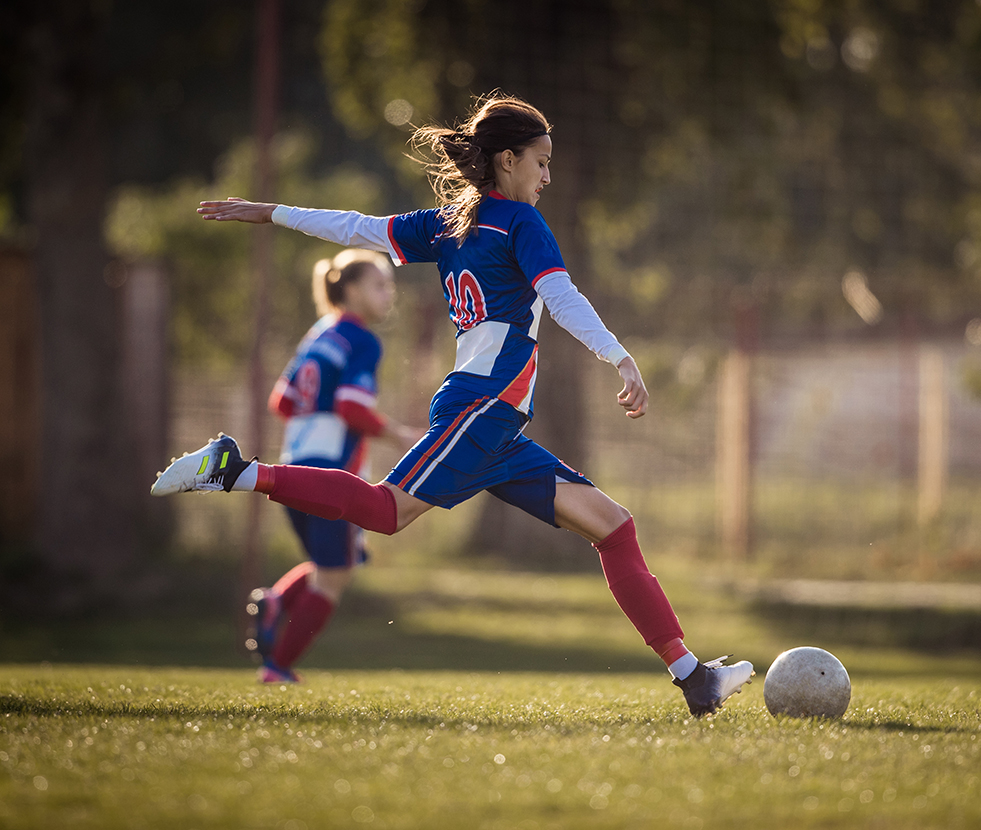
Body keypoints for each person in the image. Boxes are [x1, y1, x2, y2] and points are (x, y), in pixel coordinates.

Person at [153, 94, 753, 717]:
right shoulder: (518, 224)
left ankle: (693, 678)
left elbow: (355, 227)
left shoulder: (450, 223)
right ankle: (234, 470)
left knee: (614, 527)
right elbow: (562, 295)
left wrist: (273, 212)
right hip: (481, 411)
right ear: (508, 159)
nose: (548, 177)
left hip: (499, 427)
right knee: (386, 512)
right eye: (541, 163)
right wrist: (621, 358)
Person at [247, 248, 423, 683]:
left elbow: (282, 400)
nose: (389, 296)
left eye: (391, 287)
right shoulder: (362, 339)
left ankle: (276, 601)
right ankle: (278, 667)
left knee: (337, 562)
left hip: (293, 468)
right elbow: (352, 408)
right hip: (331, 477)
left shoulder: (319, 333)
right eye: (380, 285)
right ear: (350, 290)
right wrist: (402, 435)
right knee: (334, 576)